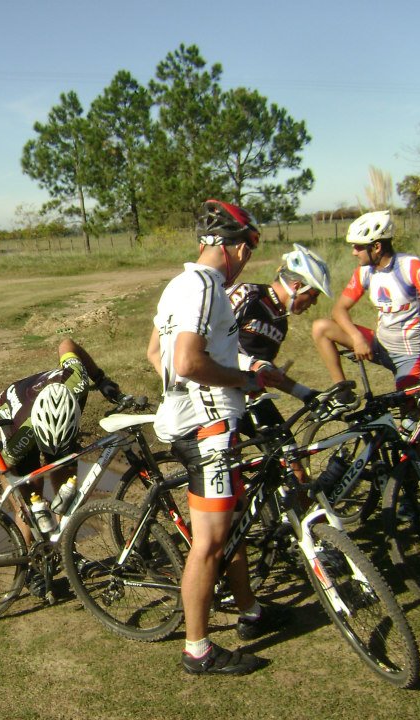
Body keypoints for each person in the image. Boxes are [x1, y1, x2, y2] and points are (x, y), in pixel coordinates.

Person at [147, 199, 288, 676]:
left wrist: (187, 390)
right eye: (249, 245)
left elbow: (157, 353)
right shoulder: (208, 287)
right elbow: (186, 361)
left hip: (196, 423)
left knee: (232, 526)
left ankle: (250, 611)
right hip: (208, 433)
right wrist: (239, 381)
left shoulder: (177, 286)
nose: (250, 256)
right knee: (207, 543)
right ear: (229, 245)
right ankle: (198, 649)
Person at [0, 338, 122, 594]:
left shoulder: (77, 383)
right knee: (31, 496)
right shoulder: (23, 434)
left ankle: (66, 550)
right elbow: (3, 469)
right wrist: (24, 508)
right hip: (15, 409)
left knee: (67, 485)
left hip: (57, 415)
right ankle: (27, 567)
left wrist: (101, 378)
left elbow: (66, 343)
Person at [312, 210, 420, 409]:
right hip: (380, 345)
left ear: (376, 247)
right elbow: (339, 310)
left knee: (409, 424)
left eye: (358, 247)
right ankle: (343, 394)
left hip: (410, 355)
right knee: (321, 327)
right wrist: (357, 337)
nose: (353, 252)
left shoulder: (410, 266)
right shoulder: (365, 271)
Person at [228, 242, 333, 431]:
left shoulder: (281, 322)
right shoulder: (248, 296)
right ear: (297, 286)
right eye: (314, 294)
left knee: (287, 452)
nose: (315, 302)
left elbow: (265, 370)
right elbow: (208, 342)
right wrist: (251, 365)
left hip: (250, 392)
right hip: (218, 390)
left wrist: (307, 394)